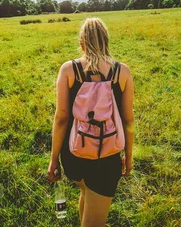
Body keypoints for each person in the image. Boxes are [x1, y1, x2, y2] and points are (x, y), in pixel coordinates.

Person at [47, 17, 135, 227]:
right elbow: (128, 120)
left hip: (74, 153)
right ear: (106, 40)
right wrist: (129, 156)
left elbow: (61, 119)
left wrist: (54, 159)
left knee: (86, 191)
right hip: (106, 157)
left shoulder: (69, 70)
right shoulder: (122, 72)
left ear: (82, 42)